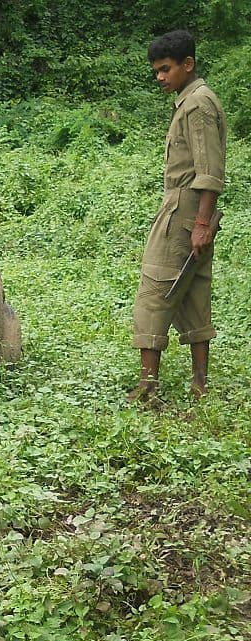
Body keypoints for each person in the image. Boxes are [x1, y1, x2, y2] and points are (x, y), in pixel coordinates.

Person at [129, 29, 226, 404]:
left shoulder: (197, 105)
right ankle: (199, 384)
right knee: (193, 292)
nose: (160, 77)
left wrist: (201, 223)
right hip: (191, 211)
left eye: (166, 69)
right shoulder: (192, 100)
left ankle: (147, 386)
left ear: (188, 64)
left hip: (184, 211)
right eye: (156, 70)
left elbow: (209, 171)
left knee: (154, 290)